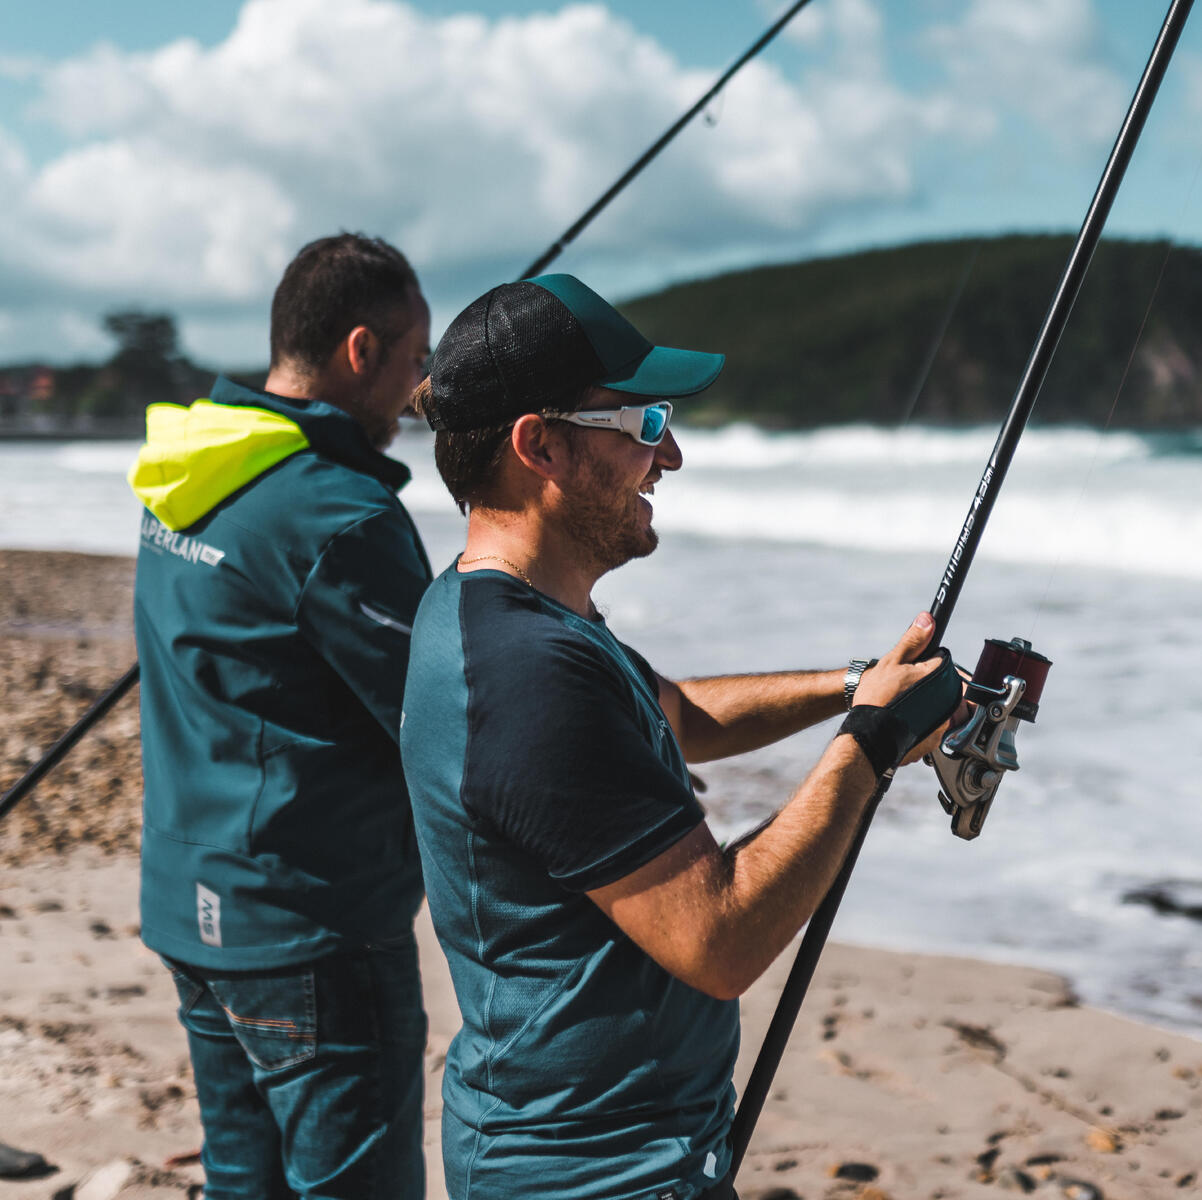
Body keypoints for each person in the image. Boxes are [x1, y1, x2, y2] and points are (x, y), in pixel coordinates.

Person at [399, 274, 963, 1200]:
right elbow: (722, 938)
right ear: (537, 446)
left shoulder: (500, 614)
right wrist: (870, 748)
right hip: (594, 1172)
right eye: (643, 425)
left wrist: (859, 687)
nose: (672, 457)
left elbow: (675, 714)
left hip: (602, 1150)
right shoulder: (525, 672)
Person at [127, 233, 434, 1199]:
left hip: (190, 905)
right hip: (308, 928)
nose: (419, 387)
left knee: (241, 1180)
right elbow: (442, 715)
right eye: (417, 358)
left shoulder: (187, 463)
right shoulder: (334, 513)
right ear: (359, 351)